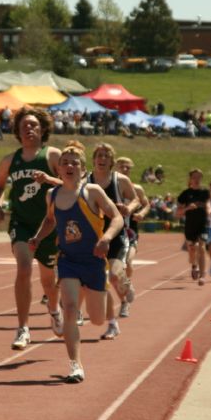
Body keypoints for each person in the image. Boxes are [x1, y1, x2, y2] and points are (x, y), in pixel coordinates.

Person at [29, 141, 124, 383]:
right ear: (58, 169)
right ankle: (75, 366)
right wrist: (38, 237)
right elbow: (50, 221)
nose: (69, 165)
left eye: (75, 163)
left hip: (93, 262)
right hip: (69, 260)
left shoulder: (93, 192)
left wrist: (106, 238)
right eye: (64, 162)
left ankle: (90, 303)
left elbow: (117, 218)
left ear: (83, 169)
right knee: (70, 310)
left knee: (97, 319)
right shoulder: (52, 195)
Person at [0, 107, 62, 350]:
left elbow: (73, 184)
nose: (29, 129)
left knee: (48, 282)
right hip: (21, 224)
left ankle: (54, 309)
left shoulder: (52, 155)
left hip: (49, 225)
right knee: (23, 268)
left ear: (43, 129)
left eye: (33, 125)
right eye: (24, 126)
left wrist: (50, 180)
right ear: (18, 132)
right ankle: (23, 328)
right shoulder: (10, 160)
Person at [87, 142, 139, 339]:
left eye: (105, 156)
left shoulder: (120, 180)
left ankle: (126, 284)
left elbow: (135, 199)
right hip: (95, 237)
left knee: (115, 275)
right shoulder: (87, 180)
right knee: (104, 281)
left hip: (117, 236)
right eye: (98, 155)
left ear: (111, 161)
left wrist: (128, 208)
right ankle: (112, 324)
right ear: (93, 160)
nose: (101, 159)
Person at [115, 156, 150, 316]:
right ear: (115, 166)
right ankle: (123, 301)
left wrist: (142, 213)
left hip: (130, 232)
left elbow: (146, 203)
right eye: (122, 166)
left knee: (128, 262)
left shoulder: (137, 188)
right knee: (114, 272)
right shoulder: (108, 187)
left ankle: (127, 286)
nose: (125, 169)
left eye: (128, 167)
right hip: (112, 232)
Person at [176, 169, 211, 286]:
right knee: (192, 251)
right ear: (190, 179)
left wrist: (209, 209)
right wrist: (187, 208)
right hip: (190, 226)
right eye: (194, 177)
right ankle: (194, 265)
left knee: (201, 246)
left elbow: (208, 203)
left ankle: (202, 276)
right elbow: (178, 213)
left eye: (199, 177)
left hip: (203, 225)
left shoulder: (205, 192)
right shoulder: (185, 194)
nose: (197, 180)